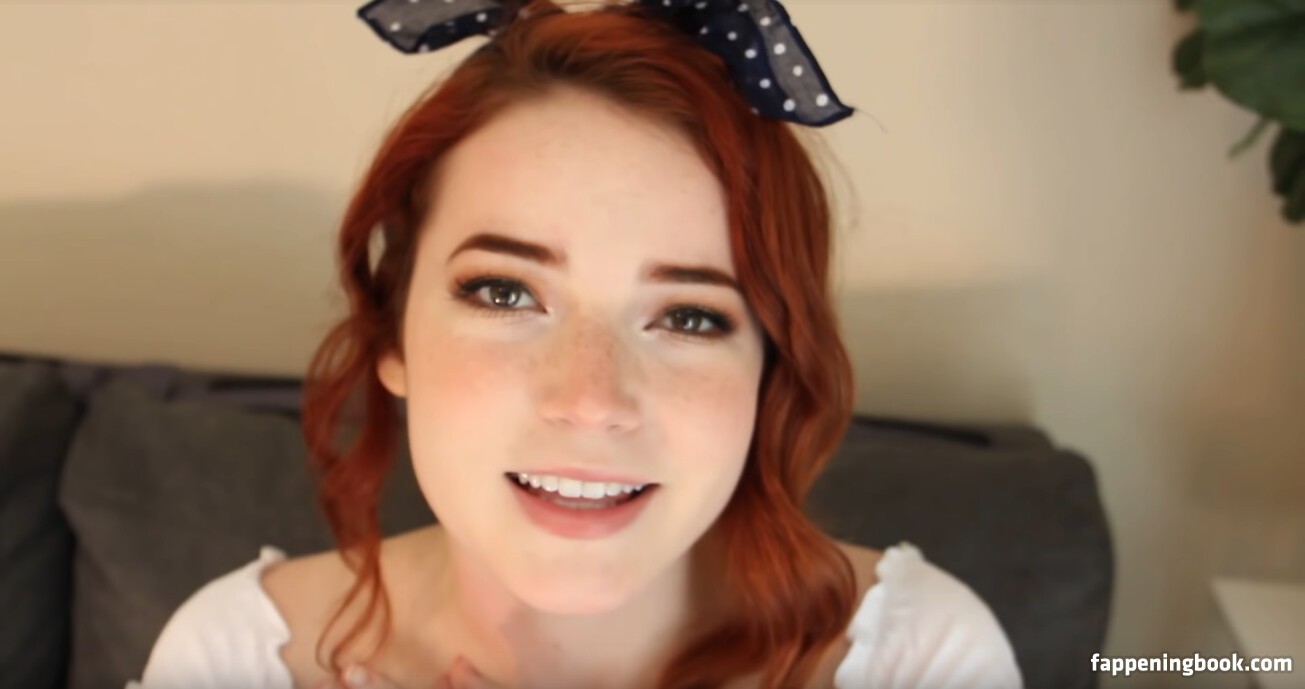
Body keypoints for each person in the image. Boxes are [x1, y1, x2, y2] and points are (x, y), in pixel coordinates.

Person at [128, 0, 1023, 687]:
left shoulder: (918, 654)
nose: (591, 400)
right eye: (505, 292)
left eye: (689, 316)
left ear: (770, 369)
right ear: (390, 332)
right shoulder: (238, 656)